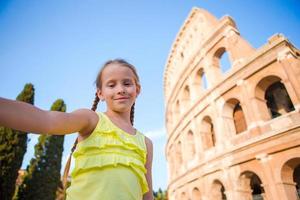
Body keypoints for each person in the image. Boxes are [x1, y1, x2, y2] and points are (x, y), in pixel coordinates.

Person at [0, 59, 154, 200]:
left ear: (137, 89)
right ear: (100, 93)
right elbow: (47, 120)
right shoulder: (91, 119)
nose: (120, 89)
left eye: (127, 83)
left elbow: (147, 195)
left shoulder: (146, 144)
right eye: (111, 85)